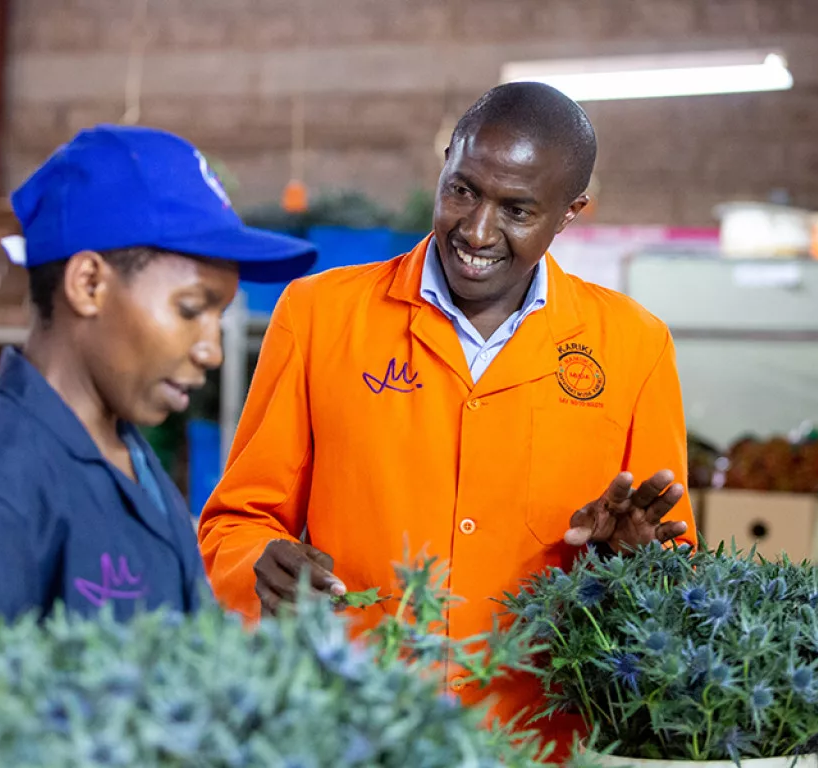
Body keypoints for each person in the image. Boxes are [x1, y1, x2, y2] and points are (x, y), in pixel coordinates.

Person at [197, 83, 697, 757]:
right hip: (350, 730)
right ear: (445, 164)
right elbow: (235, 522)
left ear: (569, 213)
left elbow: (675, 577)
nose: (478, 231)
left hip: (538, 742)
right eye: (463, 190)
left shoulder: (634, 347)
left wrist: (627, 562)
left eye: (517, 209)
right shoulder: (319, 317)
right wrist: (259, 565)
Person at [0, 125, 316, 658]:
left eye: (218, 318)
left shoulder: (131, 460)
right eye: (191, 310)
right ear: (88, 284)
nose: (211, 351)